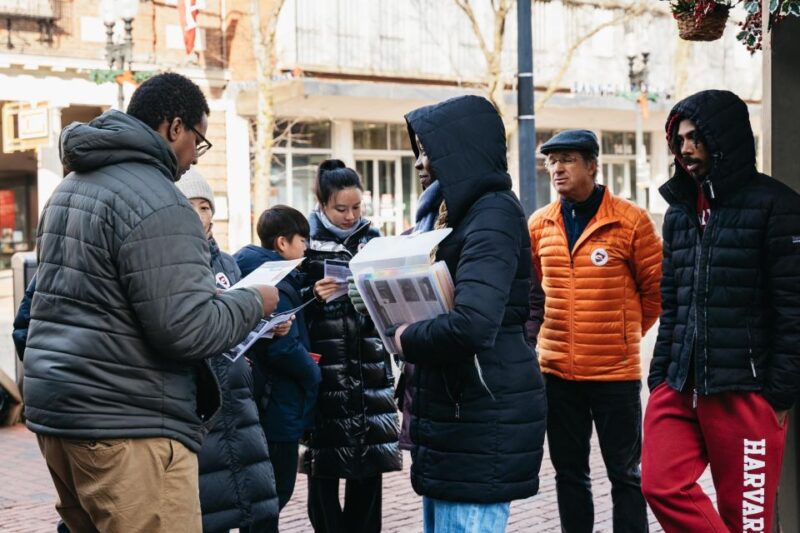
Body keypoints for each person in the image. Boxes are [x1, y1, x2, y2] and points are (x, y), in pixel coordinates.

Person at [23, 72, 279, 533]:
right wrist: (253, 301)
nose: (191, 159)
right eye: (198, 142)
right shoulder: (160, 201)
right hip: (127, 423)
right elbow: (187, 329)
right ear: (175, 127)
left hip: (60, 414)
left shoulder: (70, 188)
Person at [641, 89, 800, 533]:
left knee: (747, 521)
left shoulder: (776, 206)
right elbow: (671, 301)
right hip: (679, 383)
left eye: (696, 137)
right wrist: (658, 381)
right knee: (660, 484)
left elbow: (793, 309)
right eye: (680, 140)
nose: (686, 149)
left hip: (745, 391)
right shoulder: (679, 213)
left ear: (723, 138)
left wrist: (778, 395)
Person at [391, 95, 546, 533]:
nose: (421, 163)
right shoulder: (446, 216)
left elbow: (475, 323)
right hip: (455, 412)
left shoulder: (491, 213)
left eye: (429, 151)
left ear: (458, 150)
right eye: (418, 150)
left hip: (479, 414)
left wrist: (406, 338)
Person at [528, 129, 662, 533]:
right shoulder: (540, 225)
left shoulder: (630, 221)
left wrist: (622, 336)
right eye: (551, 161)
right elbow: (533, 294)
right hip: (557, 375)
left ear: (592, 165)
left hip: (614, 375)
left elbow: (656, 292)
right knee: (569, 473)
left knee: (626, 474)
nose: (557, 169)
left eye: (567, 159)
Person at [176, 170, 280, 533]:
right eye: (189, 206)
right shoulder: (170, 262)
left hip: (238, 398)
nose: (199, 214)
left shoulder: (227, 263)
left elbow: (240, 322)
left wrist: (266, 326)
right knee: (210, 510)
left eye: (205, 206)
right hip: (200, 404)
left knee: (257, 505)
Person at [301, 159, 401, 533]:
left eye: (357, 207)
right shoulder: (305, 243)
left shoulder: (373, 240)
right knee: (323, 467)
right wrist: (312, 293)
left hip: (369, 365)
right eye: (341, 209)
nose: (350, 216)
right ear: (322, 205)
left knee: (369, 467)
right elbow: (287, 300)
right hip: (326, 370)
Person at [234, 205, 323, 531]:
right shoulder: (273, 280)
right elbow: (283, 346)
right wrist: (313, 374)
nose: (306, 248)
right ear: (283, 243)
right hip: (278, 403)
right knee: (273, 493)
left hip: (261, 400)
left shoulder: (245, 268)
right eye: (303, 240)